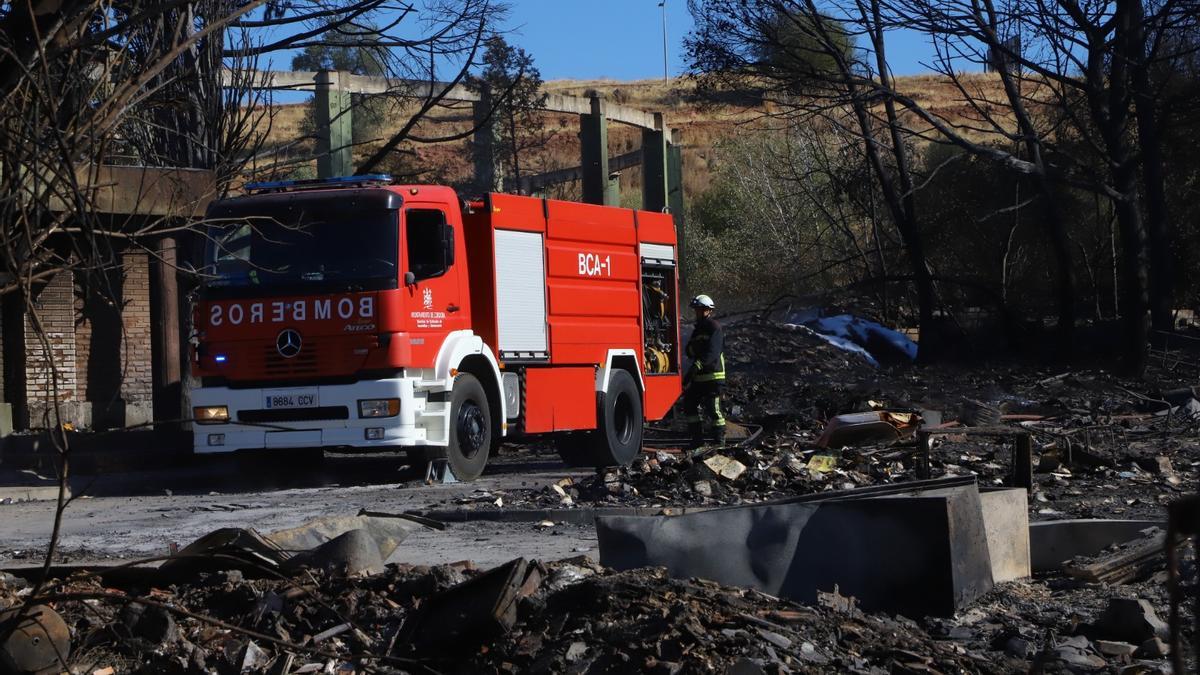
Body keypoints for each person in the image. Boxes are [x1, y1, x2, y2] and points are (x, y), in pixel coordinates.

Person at [683, 294, 726, 448]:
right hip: (699, 378)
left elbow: (712, 352)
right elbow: (689, 350)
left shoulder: (714, 327)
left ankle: (719, 442)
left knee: (713, 409)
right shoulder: (697, 329)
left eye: (700, 309)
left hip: (714, 376)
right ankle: (697, 440)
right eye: (696, 310)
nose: (698, 312)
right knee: (689, 404)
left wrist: (698, 364)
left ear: (708, 310)